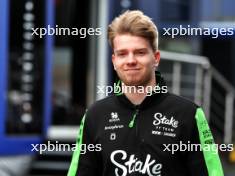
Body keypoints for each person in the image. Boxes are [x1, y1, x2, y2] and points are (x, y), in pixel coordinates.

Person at [67, 10, 224, 176]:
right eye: (122, 54)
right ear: (114, 61)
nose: (130, 60)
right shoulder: (95, 116)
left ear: (156, 58)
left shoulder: (189, 114)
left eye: (140, 52)